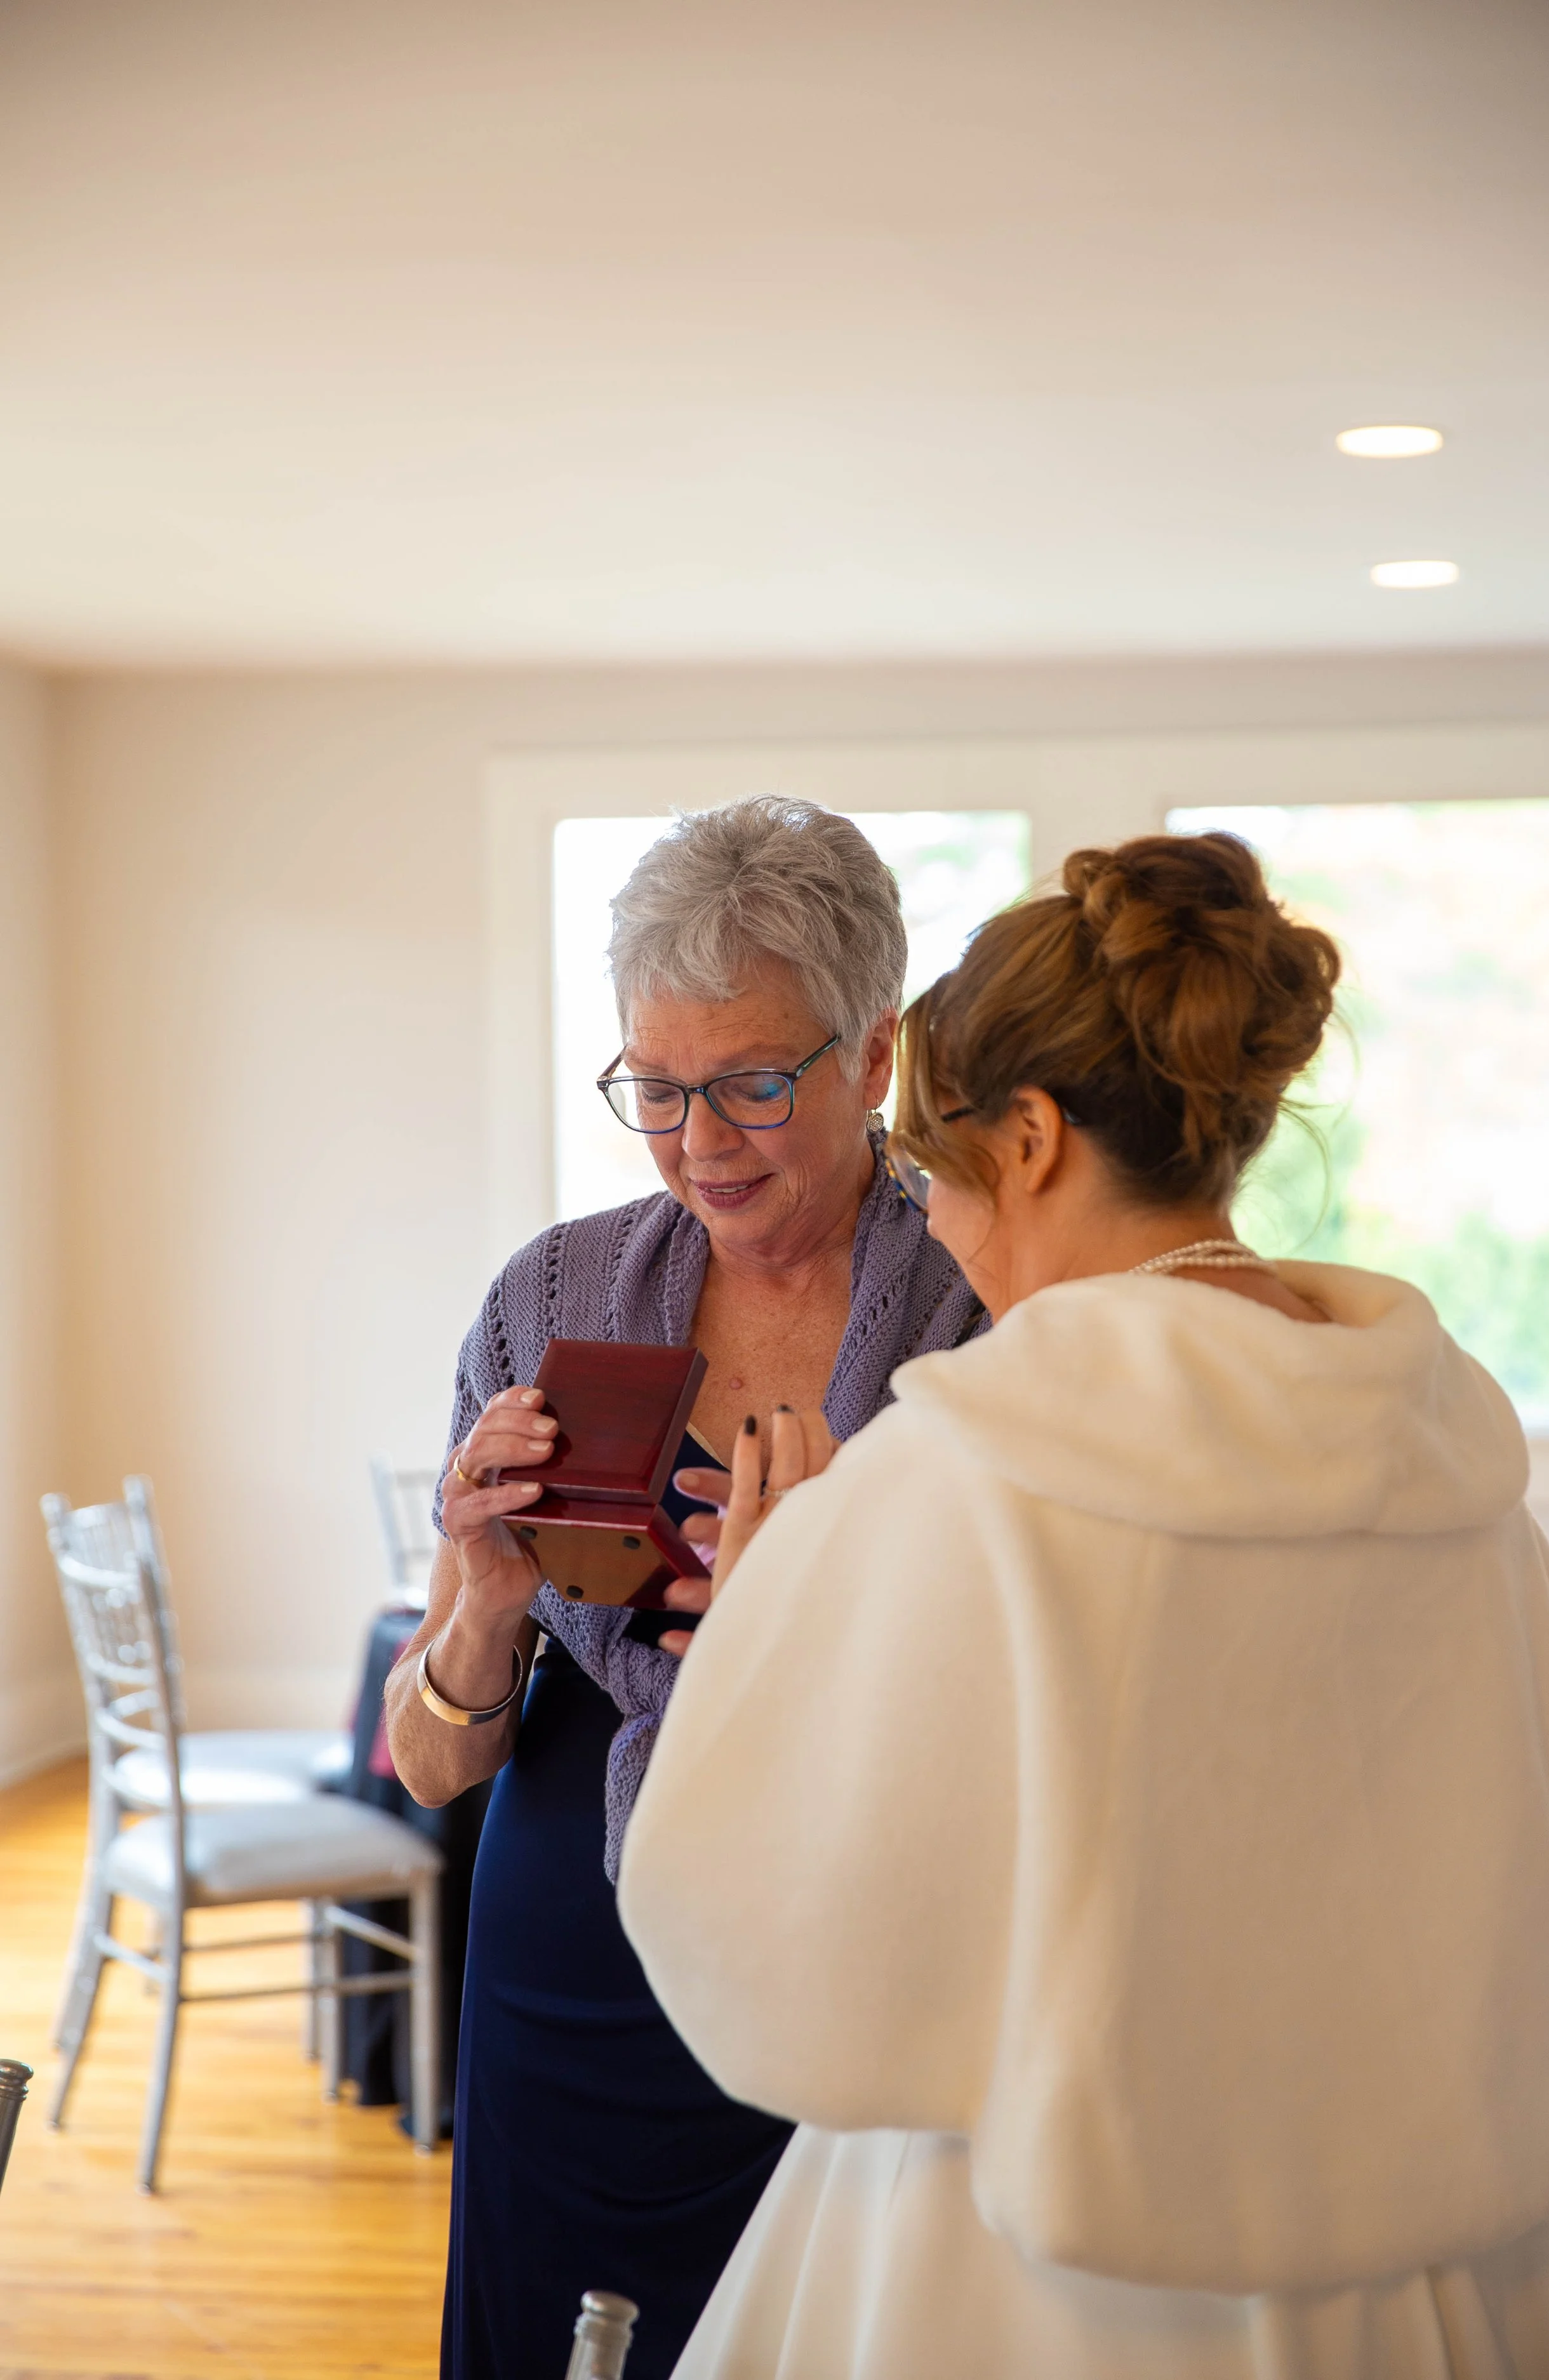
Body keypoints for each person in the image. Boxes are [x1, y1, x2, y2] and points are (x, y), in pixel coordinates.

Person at [619, 831, 1549, 2380]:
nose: (929, 1221)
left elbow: (781, 1965)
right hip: (1422, 2261)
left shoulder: (960, 1471)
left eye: (935, 1172)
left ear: (1034, 1136)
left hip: (1025, 2261)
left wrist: (769, 1620)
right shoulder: (1440, 1454)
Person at [383, 797, 983, 2380]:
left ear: (876, 1057)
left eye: (751, 1085)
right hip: (568, 1954)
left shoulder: (983, 1314)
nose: (698, 1144)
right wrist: (484, 1599)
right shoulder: (551, 1295)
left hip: (851, 1961)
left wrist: (827, 1619)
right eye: (655, 1088)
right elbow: (431, 1758)